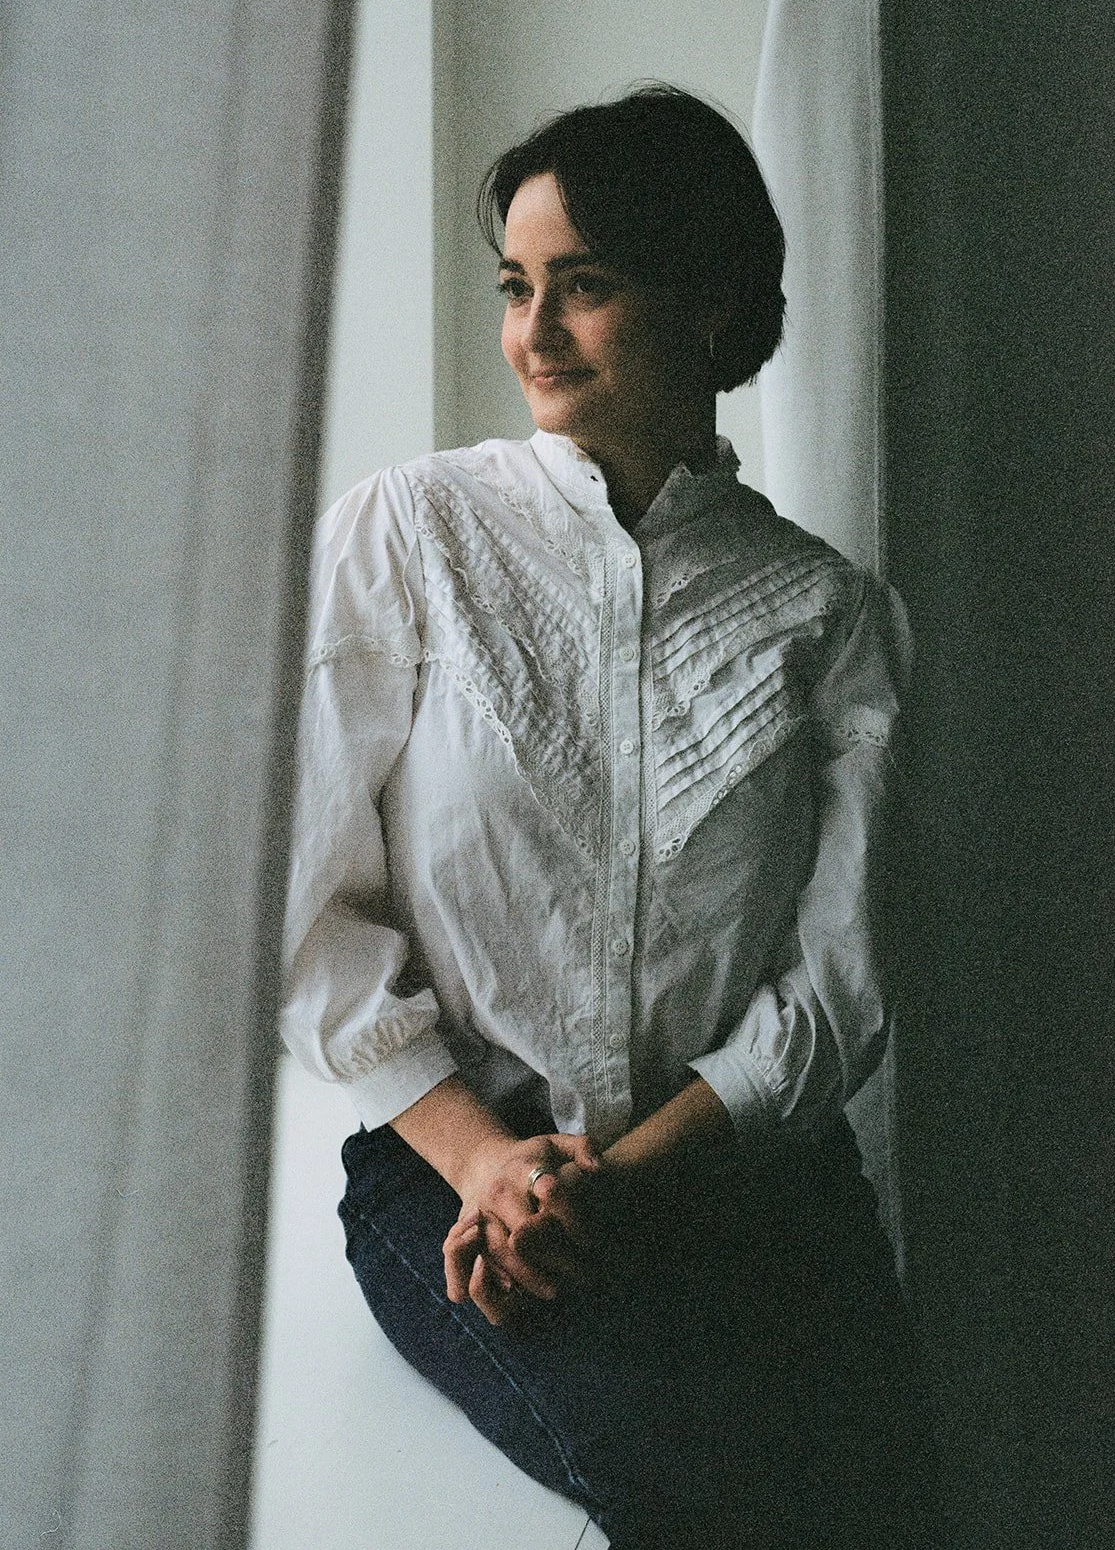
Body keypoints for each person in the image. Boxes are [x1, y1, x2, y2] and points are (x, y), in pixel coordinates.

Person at [281, 83, 919, 1550]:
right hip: (456, 1172)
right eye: (517, 288)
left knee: (893, 1511)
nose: (534, 333)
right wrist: (497, 1170)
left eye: (588, 285)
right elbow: (302, 902)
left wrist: (626, 1185)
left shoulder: (828, 615)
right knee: (711, 1499)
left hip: (746, 1187)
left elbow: (839, 980)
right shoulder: (410, 536)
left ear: (706, 302)